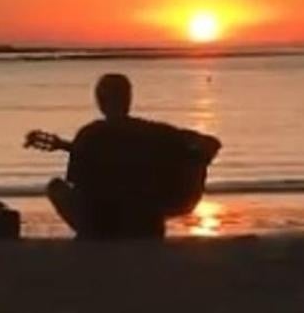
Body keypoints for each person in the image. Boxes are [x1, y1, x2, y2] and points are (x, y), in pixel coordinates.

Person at [45, 74, 222, 240]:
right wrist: (194, 164)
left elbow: (78, 184)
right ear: (128, 98)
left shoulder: (89, 135)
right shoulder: (154, 132)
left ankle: (88, 231)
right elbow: (211, 144)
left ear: (100, 101)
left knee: (56, 187)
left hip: (100, 226)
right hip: (147, 226)